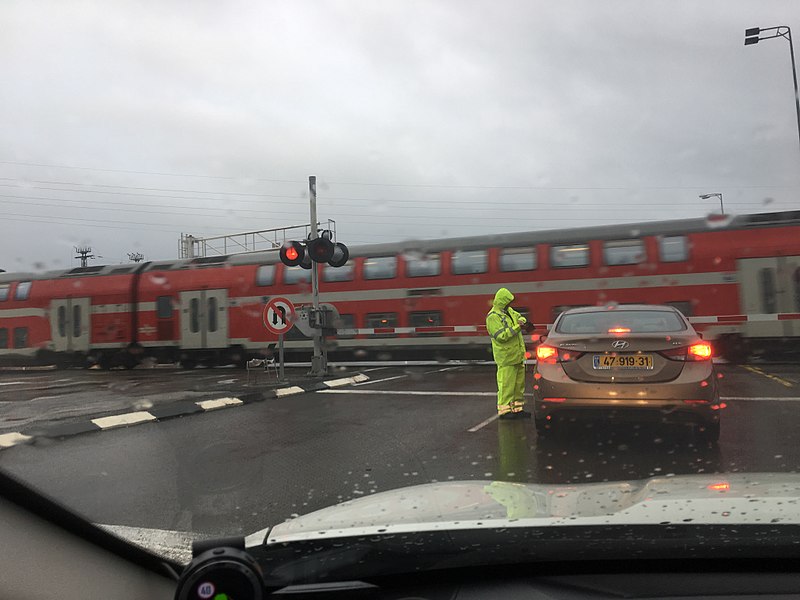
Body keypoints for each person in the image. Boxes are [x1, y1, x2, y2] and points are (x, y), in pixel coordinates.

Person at [486, 287, 531, 420]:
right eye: (508, 302)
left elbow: (519, 316)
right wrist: (518, 327)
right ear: (502, 301)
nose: (510, 304)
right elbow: (501, 337)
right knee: (506, 385)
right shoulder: (493, 317)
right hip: (506, 358)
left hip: (516, 356)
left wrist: (522, 320)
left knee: (518, 386)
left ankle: (517, 409)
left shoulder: (508, 311)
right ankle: (505, 411)